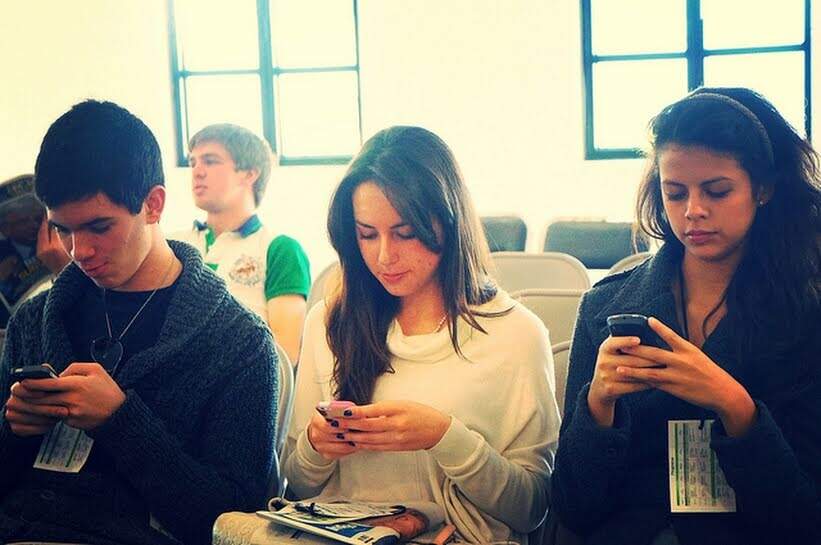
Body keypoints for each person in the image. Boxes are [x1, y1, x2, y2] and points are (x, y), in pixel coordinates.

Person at [0, 100, 278, 545]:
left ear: (153, 204)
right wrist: (14, 430)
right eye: (63, 229)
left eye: (99, 227)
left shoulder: (238, 343)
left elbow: (232, 521)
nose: (79, 251)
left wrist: (119, 420)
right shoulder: (33, 322)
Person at [551, 88, 821, 545]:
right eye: (675, 193)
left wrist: (735, 406)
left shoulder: (807, 314)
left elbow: (804, 521)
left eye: (717, 191)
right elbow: (574, 509)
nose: (693, 211)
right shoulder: (606, 308)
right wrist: (597, 407)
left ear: (763, 189)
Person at [281, 126, 561, 544]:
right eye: (367, 234)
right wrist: (316, 446)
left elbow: (531, 509)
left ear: (448, 222)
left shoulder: (515, 335)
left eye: (405, 233)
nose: (384, 256)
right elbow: (299, 485)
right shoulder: (328, 323)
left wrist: (445, 438)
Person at [172, 124, 310, 364]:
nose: (197, 172)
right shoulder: (173, 245)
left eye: (210, 161)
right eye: (193, 162)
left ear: (249, 174)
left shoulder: (280, 248)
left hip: (241, 379)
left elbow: (285, 354)